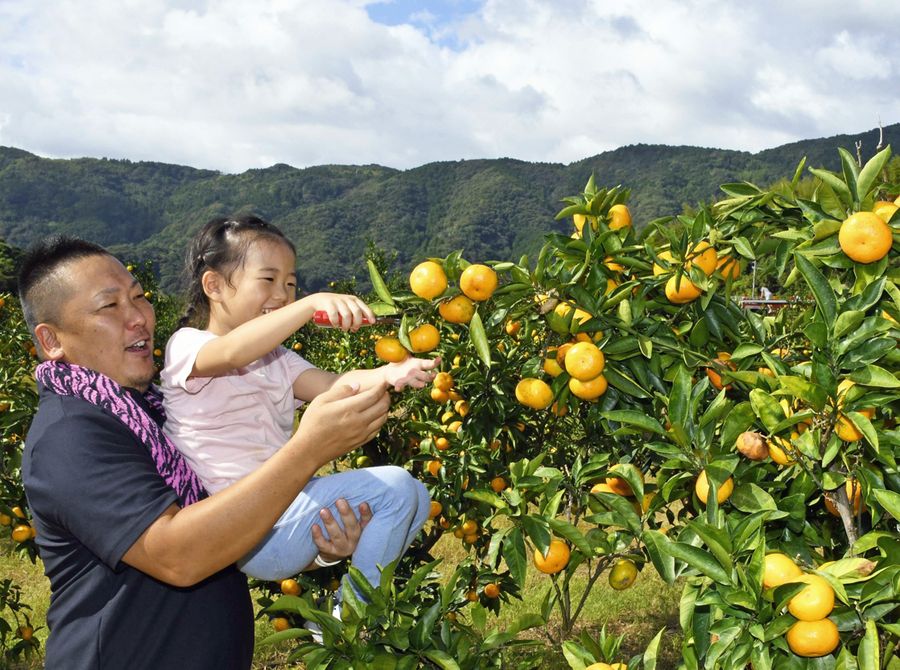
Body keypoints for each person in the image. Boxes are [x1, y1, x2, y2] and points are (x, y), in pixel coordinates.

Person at [19, 235, 389, 670]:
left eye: (139, 298)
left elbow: (225, 529)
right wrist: (308, 449)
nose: (138, 317)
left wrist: (318, 544)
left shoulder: (150, 413)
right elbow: (179, 555)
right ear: (52, 340)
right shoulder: (71, 435)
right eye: (110, 306)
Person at [159, 215, 435, 594]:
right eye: (268, 279)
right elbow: (233, 351)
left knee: (416, 498)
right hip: (239, 522)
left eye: (290, 283)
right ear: (215, 285)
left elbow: (336, 385)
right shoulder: (188, 345)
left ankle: (344, 611)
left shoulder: (278, 359)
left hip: (284, 511)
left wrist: (391, 373)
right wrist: (311, 305)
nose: (283, 294)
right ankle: (356, 617)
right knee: (397, 487)